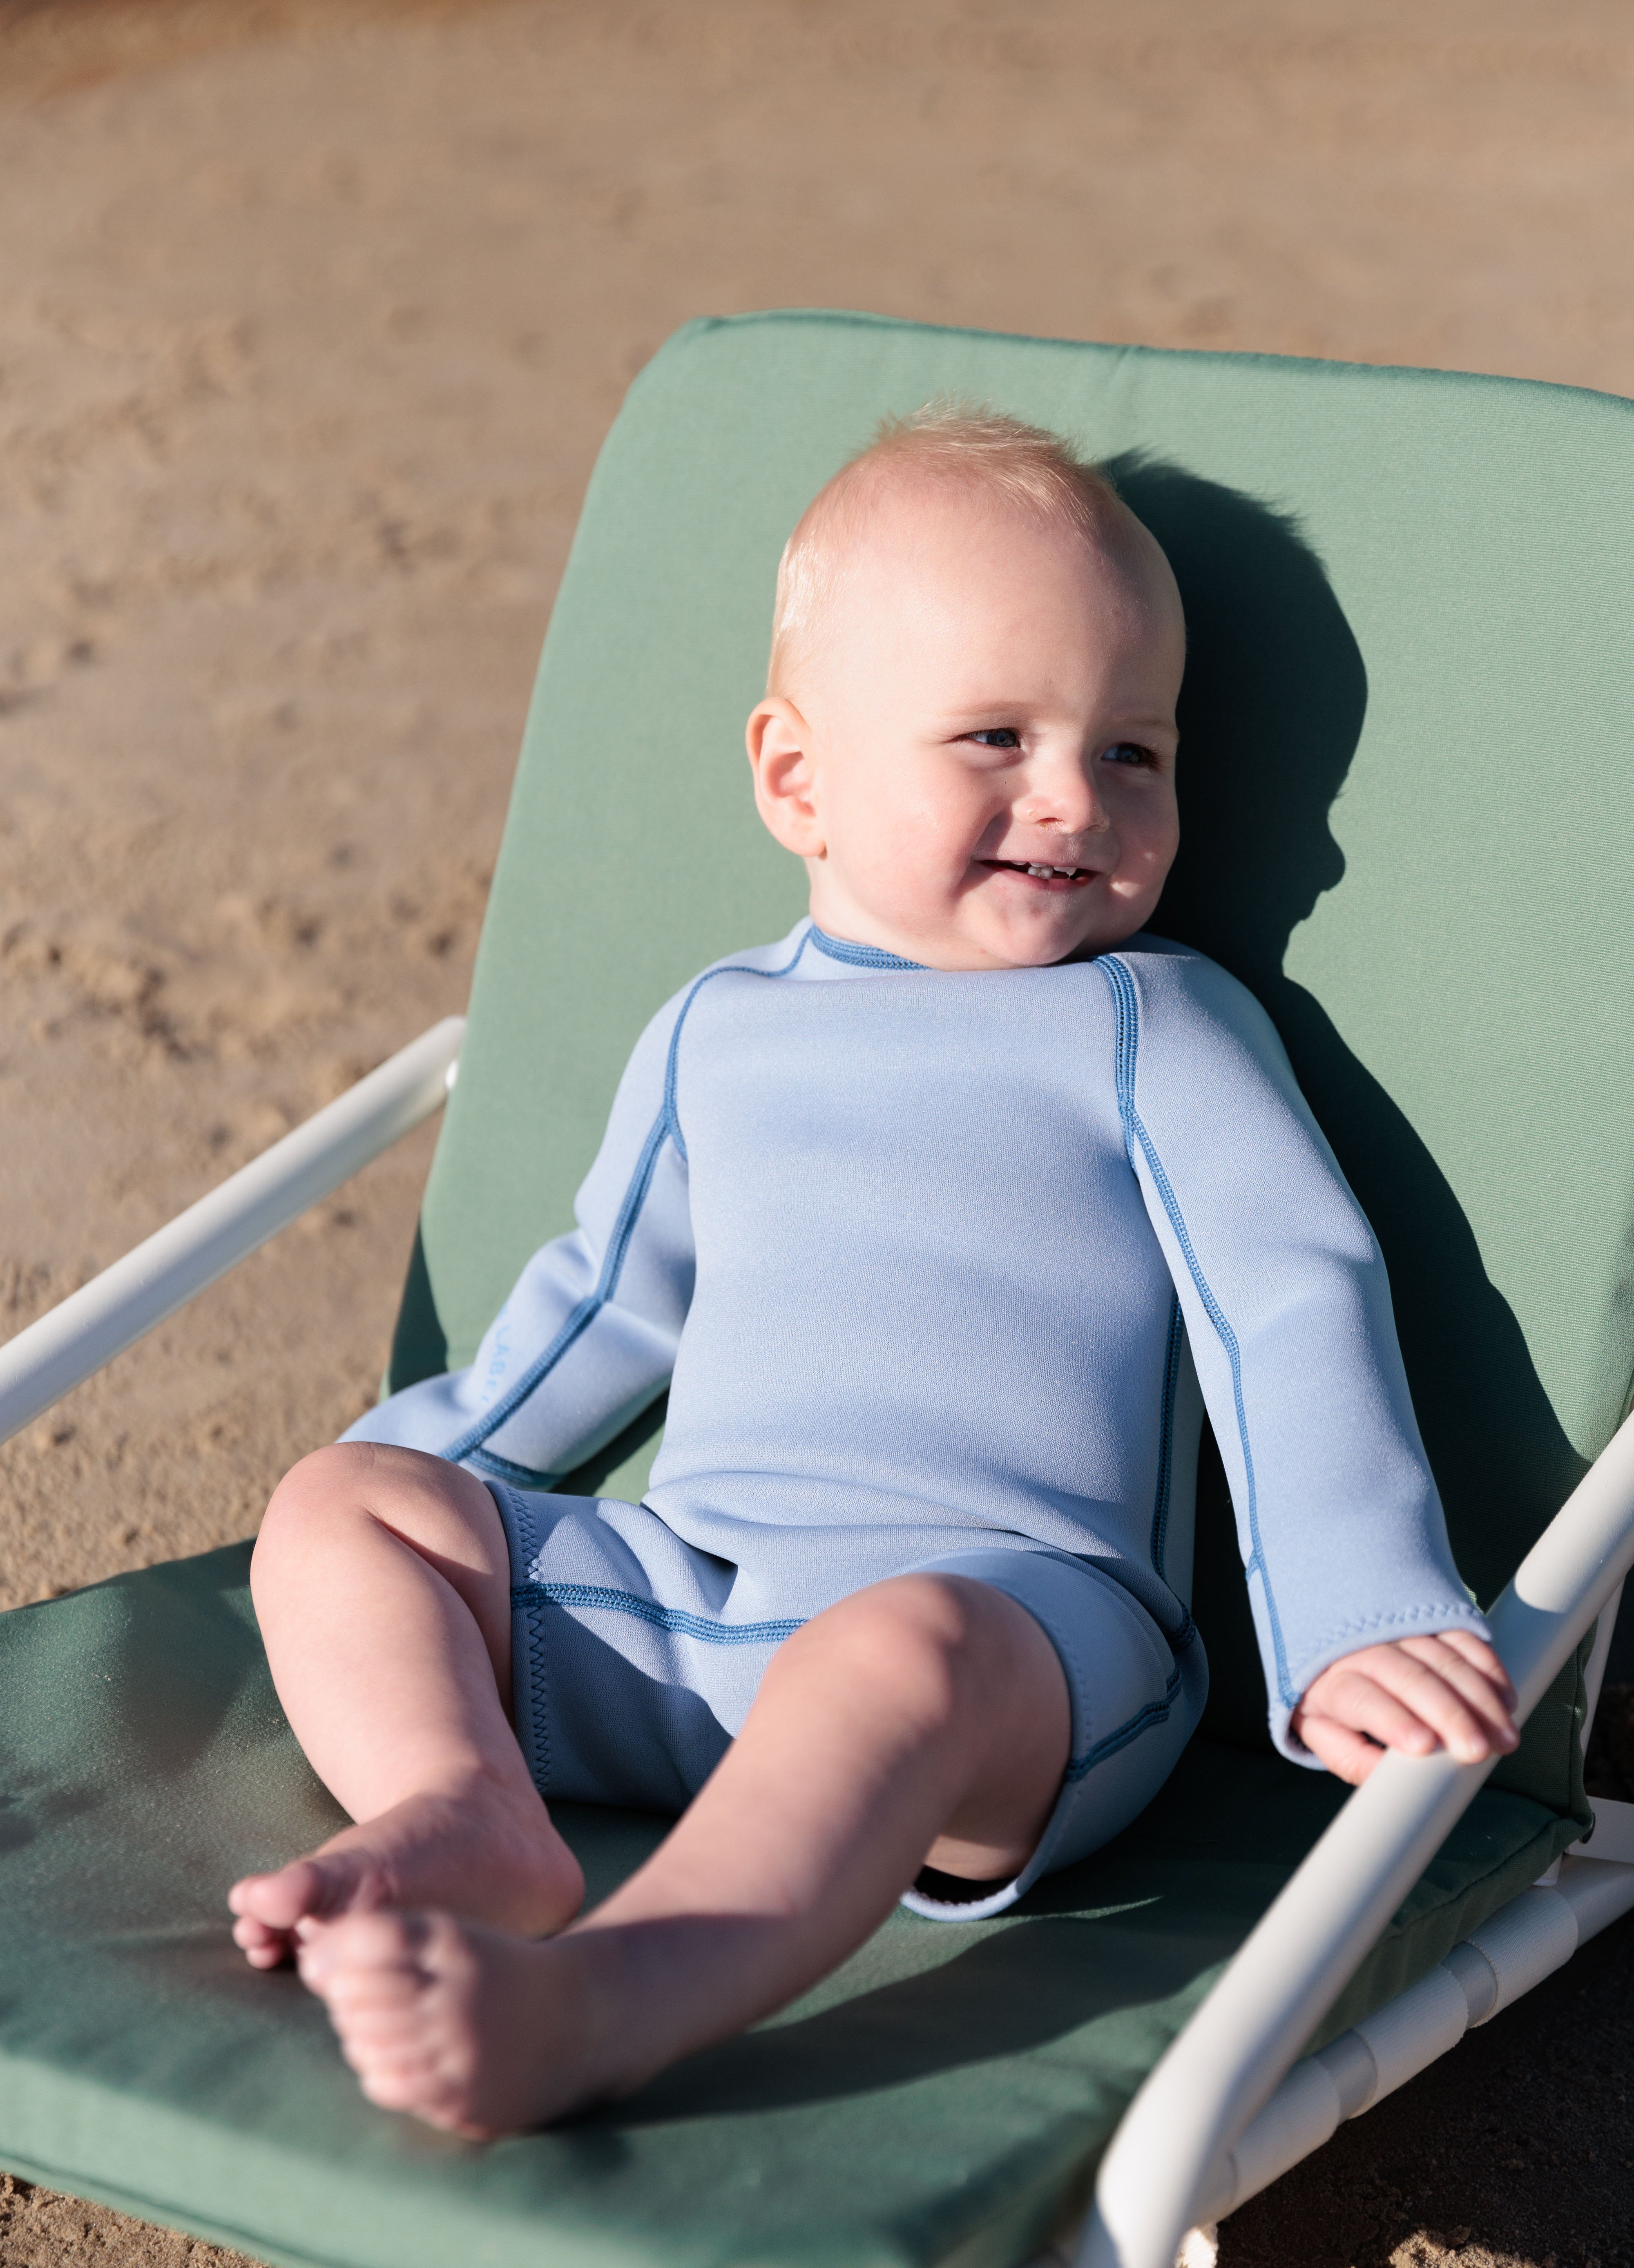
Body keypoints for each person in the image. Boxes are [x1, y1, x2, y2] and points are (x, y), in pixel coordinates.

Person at [228, 406, 1518, 2138]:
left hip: (1019, 1648)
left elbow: (1286, 1304)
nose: (1072, 796)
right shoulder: (717, 1031)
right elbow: (596, 1313)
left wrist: (1355, 1613)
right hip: (693, 1607)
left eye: (1134, 753)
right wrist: (396, 1522)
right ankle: (467, 1809)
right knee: (336, 1505)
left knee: (894, 1647)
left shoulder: (1151, 1023)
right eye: (995, 735)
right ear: (795, 781)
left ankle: (612, 2000)